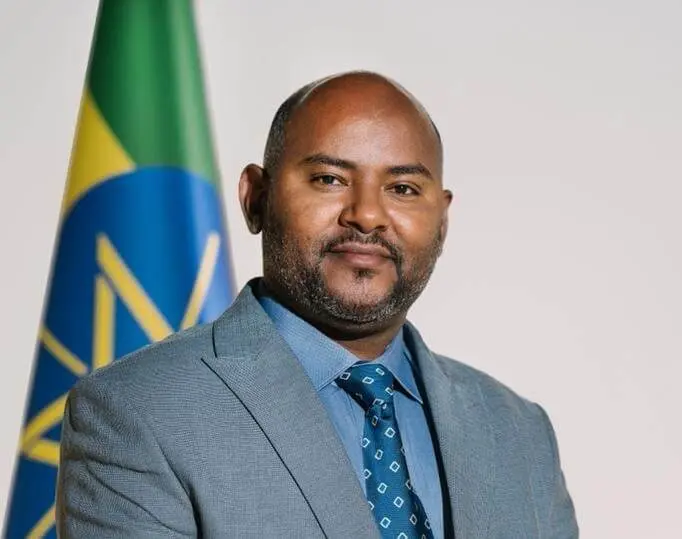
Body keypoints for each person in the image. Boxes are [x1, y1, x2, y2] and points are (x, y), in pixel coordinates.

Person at [56, 71, 578, 538]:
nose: (367, 214)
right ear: (255, 198)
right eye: (329, 179)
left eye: (402, 188)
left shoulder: (519, 432)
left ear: (442, 221)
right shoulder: (137, 413)